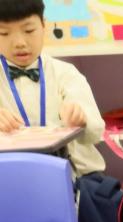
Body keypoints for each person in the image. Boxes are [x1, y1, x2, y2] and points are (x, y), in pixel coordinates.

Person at [0, 0, 103, 177]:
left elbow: (96, 134)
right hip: (10, 176)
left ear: (43, 26)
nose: (19, 43)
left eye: (29, 30)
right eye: (4, 33)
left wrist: (81, 119)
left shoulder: (65, 73)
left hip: (73, 175)